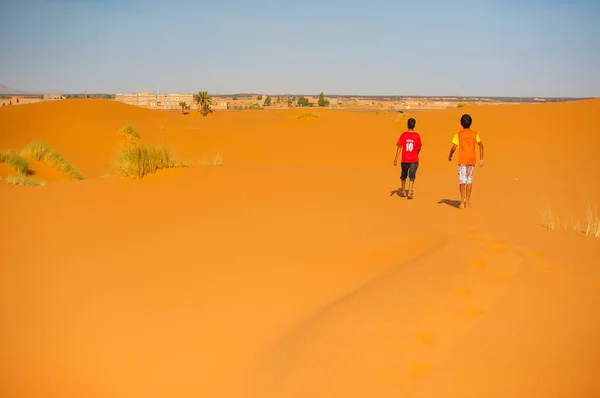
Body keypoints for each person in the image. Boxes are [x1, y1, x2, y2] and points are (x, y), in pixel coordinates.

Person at [448, 114, 484, 209]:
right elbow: (481, 145)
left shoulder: (459, 134)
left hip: (462, 159)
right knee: (469, 180)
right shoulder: (474, 134)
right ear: (470, 123)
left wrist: (450, 155)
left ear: (461, 123)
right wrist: (481, 159)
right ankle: (467, 202)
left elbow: (454, 147)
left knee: (462, 181)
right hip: (471, 160)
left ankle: (463, 198)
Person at [393, 117, 423, 199]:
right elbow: (419, 147)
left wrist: (396, 158)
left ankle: (403, 191)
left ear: (407, 125)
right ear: (414, 125)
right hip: (414, 159)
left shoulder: (404, 135)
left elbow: (399, 146)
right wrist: (416, 153)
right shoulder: (417, 135)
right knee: (412, 176)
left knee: (404, 175)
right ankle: (409, 192)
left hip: (405, 158)